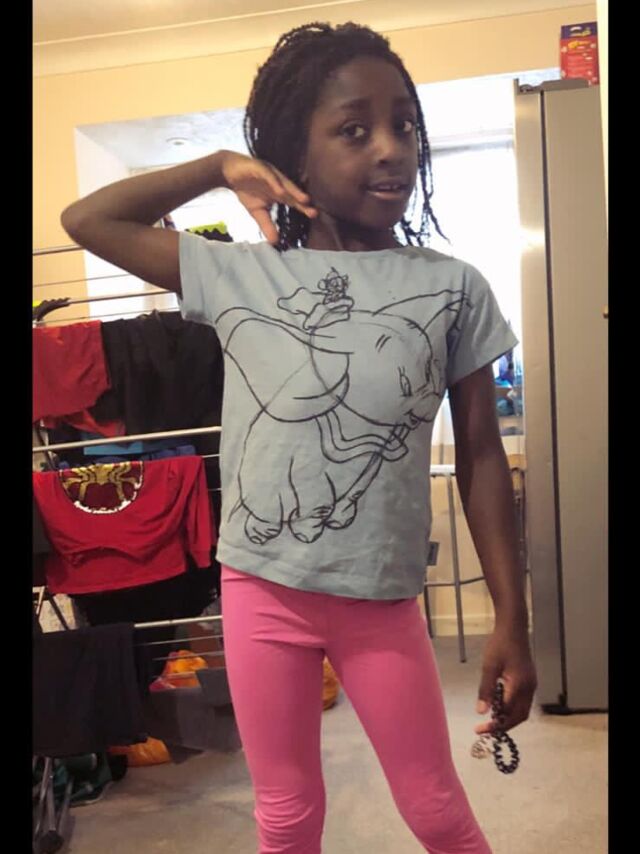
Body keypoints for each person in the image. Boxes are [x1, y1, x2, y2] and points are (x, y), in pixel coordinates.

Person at [59, 21, 537, 854]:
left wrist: (512, 617)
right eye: (354, 129)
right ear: (295, 159)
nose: (391, 148)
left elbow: (481, 455)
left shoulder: (452, 288)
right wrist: (219, 165)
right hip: (261, 591)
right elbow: (89, 217)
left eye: (404, 125)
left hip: (380, 600)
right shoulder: (242, 273)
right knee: (285, 817)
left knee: (436, 809)